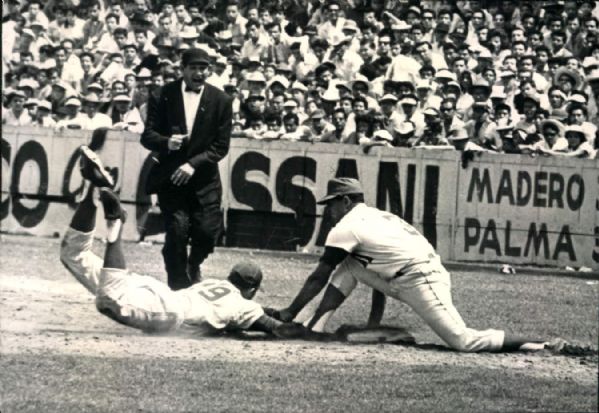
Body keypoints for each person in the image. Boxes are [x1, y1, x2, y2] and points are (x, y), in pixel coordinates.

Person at [268, 178, 572, 353]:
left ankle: (539, 344)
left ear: (346, 201)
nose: (329, 209)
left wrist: (288, 312)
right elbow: (377, 265)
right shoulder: (375, 216)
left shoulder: (348, 225)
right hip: (403, 275)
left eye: (332, 203)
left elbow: (319, 275)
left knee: (463, 341)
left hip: (422, 278)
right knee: (349, 264)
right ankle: (314, 326)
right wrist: (375, 322)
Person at [60, 146, 288, 336]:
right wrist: (315, 336)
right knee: (110, 299)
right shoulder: (243, 306)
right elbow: (274, 327)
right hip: (164, 307)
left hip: (158, 294)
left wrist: (273, 313)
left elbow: (259, 313)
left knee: (73, 255)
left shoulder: (213, 285)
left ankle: (95, 188)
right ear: (252, 289)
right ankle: (116, 224)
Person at [141, 48, 233, 290]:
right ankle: (178, 286)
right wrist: (166, 142)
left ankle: (194, 263)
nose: (199, 73)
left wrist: (193, 164)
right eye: (193, 68)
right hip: (173, 180)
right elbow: (148, 136)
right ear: (183, 70)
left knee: (207, 233)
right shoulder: (163, 95)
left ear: (209, 71)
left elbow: (221, 147)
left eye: (203, 68)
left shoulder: (222, 101)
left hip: (205, 181)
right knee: (177, 233)